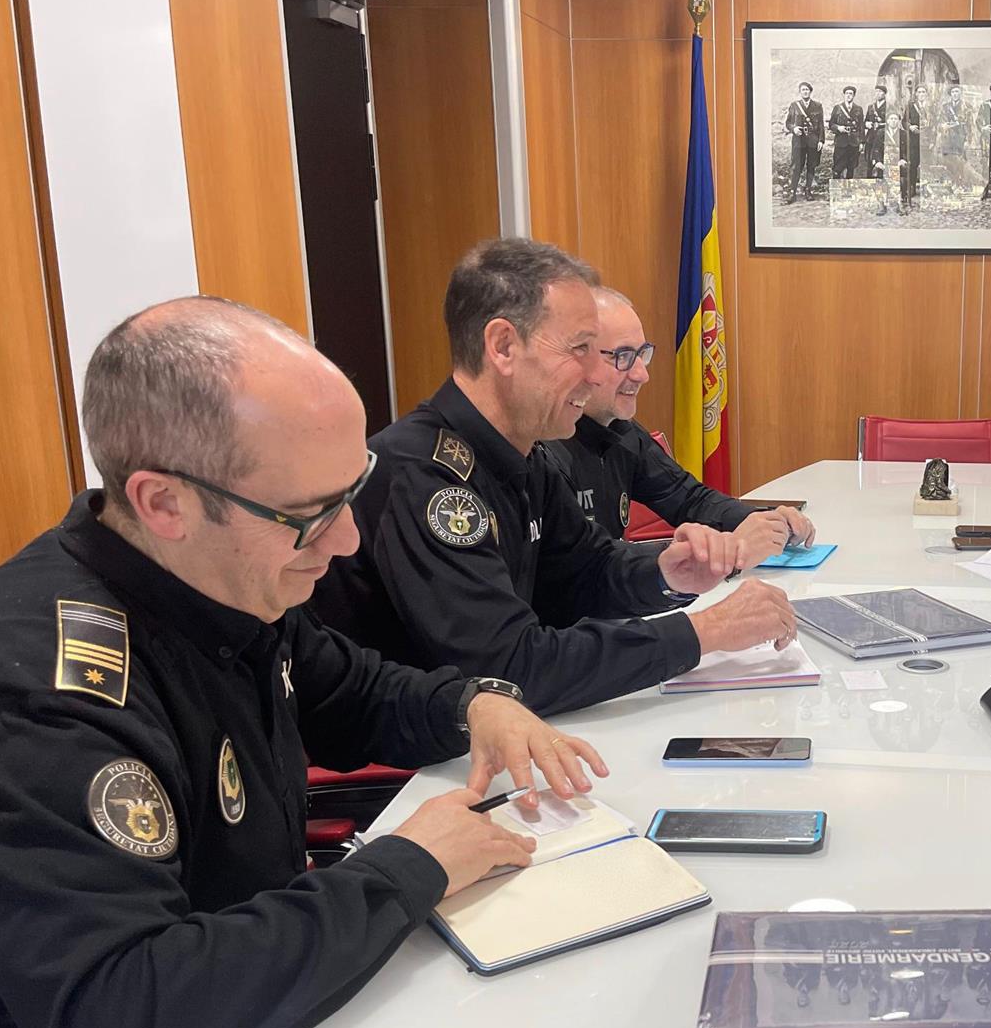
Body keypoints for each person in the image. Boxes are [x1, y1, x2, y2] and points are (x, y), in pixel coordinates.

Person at [0, 297, 602, 1028]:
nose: (349, 542)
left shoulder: (219, 578)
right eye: (313, 515)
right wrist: (406, 871)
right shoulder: (41, 686)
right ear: (164, 501)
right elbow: (116, 1019)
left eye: (354, 494)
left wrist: (478, 702)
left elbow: (355, 690)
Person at [313, 239, 796, 716]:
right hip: (411, 772)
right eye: (581, 349)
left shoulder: (524, 453)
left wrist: (669, 572)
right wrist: (704, 632)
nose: (595, 374)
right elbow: (508, 671)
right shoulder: (424, 478)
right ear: (502, 346)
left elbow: (585, 569)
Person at [551, 287, 814, 555]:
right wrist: (722, 549)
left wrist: (761, 521)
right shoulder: (546, 448)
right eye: (623, 357)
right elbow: (585, 565)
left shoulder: (621, 432)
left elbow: (689, 499)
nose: (642, 374)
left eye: (642, 354)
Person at [783, 80, 824, 201]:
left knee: (811, 166)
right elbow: (788, 123)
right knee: (796, 167)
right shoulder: (794, 105)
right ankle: (792, 192)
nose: (805, 92)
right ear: (800, 92)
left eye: (807, 90)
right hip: (798, 141)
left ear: (810, 92)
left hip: (813, 140)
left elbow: (821, 125)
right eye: (803, 90)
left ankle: (808, 191)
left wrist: (821, 140)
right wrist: (794, 128)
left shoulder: (818, 105)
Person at [898, 83, 926, 212]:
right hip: (914, 140)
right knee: (913, 163)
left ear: (926, 95)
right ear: (916, 94)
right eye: (919, 92)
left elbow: (936, 121)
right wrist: (910, 127)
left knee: (927, 164)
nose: (921, 94)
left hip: (927, 140)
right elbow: (904, 121)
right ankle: (913, 187)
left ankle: (927, 189)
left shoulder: (931, 107)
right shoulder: (910, 106)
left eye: (923, 92)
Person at [938, 83, 969, 189]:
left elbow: (969, 125)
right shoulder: (945, 107)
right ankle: (952, 182)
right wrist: (944, 125)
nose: (955, 94)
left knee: (960, 161)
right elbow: (941, 121)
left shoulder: (966, 106)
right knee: (949, 161)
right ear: (950, 94)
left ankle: (961, 183)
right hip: (948, 138)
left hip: (960, 137)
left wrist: (967, 140)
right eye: (953, 92)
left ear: (960, 93)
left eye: (957, 92)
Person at [829, 85, 863, 180]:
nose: (848, 95)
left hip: (854, 143)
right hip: (841, 142)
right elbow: (831, 124)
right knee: (837, 168)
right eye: (847, 93)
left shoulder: (858, 109)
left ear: (854, 96)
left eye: (851, 94)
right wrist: (838, 128)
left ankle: (848, 191)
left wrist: (861, 142)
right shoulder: (837, 108)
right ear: (844, 95)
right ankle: (836, 190)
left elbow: (861, 126)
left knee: (851, 168)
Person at [863, 82, 890, 179]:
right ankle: (869, 184)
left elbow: (893, 122)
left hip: (883, 138)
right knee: (869, 161)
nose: (878, 93)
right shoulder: (871, 107)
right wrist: (867, 124)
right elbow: (865, 121)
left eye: (880, 91)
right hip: (871, 137)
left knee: (881, 162)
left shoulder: (889, 107)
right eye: (876, 91)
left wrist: (881, 125)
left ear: (884, 94)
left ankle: (881, 185)